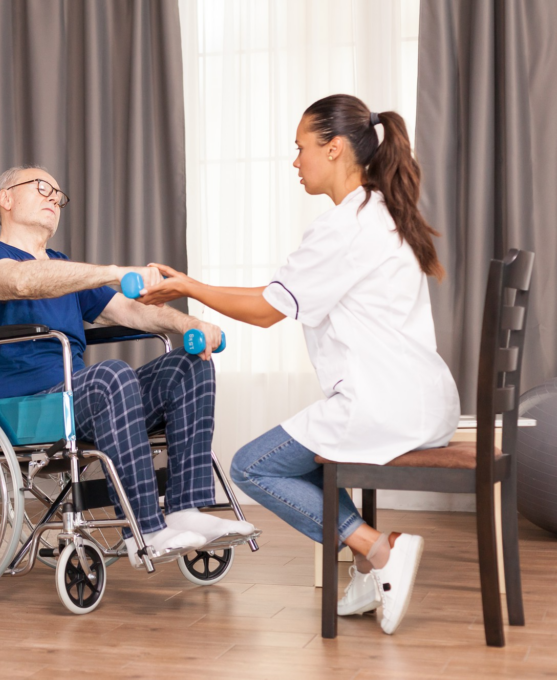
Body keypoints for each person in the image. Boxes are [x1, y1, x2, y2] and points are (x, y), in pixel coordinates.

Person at [136, 95, 459, 633]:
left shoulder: (345, 227)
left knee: (252, 467)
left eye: (301, 148)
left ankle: (379, 549)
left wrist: (187, 286)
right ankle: (364, 564)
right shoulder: (380, 212)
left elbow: (266, 311)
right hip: (426, 398)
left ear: (333, 149)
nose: (295, 162)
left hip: (385, 402)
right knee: (305, 454)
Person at [0, 165, 256, 566]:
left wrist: (190, 324)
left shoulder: (63, 267)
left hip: (78, 402)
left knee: (189, 365)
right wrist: (115, 273)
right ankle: (145, 531)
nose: (53, 197)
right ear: (5, 198)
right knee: (111, 375)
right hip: (22, 409)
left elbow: (133, 313)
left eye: (58, 194)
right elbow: (23, 282)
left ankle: (186, 509)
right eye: (42, 187)